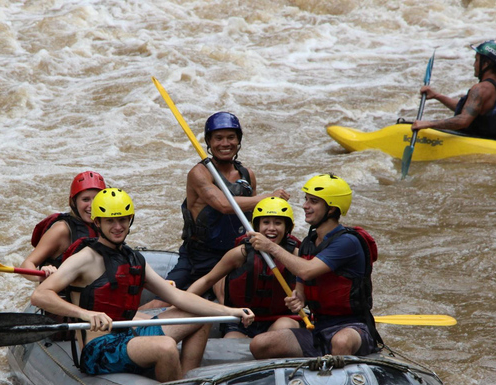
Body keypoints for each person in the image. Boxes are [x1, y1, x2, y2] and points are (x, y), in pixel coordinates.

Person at [31, 188, 254, 382]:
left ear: (131, 220)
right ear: (97, 222)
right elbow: (40, 295)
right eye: (110, 221)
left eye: (123, 220)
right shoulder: (84, 258)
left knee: (201, 316)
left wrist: (229, 311)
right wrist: (84, 313)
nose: (118, 227)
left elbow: (177, 296)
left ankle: (187, 380)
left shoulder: (133, 258)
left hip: (130, 334)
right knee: (165, 346)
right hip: (99, 349)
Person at [245, 174, 382, 359]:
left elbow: (306, 270)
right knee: (260, 344)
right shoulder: (309, 243)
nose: (305, 206)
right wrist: (298, 298)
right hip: (318, 329)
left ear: (332, 209)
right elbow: (301, 290)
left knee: (340, 342)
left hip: (353, 327)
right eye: (306, 200)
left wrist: (270, 247)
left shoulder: (347, 242)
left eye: (313, 201)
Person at [164, 112, 291, 294]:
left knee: (228, 294)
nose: (225, 143)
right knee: (167, 297)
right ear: (209, 142)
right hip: (199, 256)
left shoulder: (247, 175)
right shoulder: (199, 173)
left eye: (231, 137)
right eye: (218, 138)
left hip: (234, 255)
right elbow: (224, 205)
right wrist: (268, 197)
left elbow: (255, 219)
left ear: (238, 141)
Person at [186, 197, 301, 338]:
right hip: (241, 320)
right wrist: (178, 304)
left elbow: (311, 285)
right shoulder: (240, 254)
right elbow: (207, 281)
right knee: (231, 342)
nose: (271, 228)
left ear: (287, 227)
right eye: (266, 222)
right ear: (257, 226)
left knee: (286, 327)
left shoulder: (295, 255)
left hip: (278, 318)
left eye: (278, 223)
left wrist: (301, 300)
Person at [412, 40, 496, 141]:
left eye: (477, 60)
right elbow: (468, 109)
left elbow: (463, 121)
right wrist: (437, 96)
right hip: (490, 141)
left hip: (475, 142)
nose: (474, 65)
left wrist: (428, 124)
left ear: (486, 64)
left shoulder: (480, 89)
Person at [19, 171, 107, 281]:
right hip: (58, 296)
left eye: (97, 199)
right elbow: (27, 264)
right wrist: (40, 275)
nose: (92, 205)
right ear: (73, 202)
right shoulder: (62, 230)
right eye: (85, 199)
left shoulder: (106, 228)